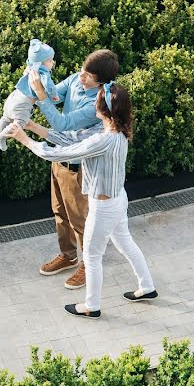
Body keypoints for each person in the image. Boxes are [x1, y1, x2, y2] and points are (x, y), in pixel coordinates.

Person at [5, 81, 158, 318]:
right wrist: (32, 126)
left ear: (103, 111)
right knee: (125, 243)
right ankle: (147, 287)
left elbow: (58, 152)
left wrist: (24, 140)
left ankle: (91, 306)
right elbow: (70, 139)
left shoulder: (101, 139)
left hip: (103, 206)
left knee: (92, 256)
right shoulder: (115, 132)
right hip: (118, 199)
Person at [29, 49, 120, 290]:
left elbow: (62, 123)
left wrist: (40, 96)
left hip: (78, 168)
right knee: (59, 212)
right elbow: (54, 96)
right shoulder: (74, 79)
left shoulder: (98, 102)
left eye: (88, 76)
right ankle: (68, 256)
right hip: (59, 160)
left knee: (80, 220)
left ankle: (88, 266)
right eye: (82, 70)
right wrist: (39, 76)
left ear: (101, 81)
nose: (81, 77)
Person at [0, 39, 59, 151]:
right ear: (40, 63)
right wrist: (54, 96)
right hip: (22, 105)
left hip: (13, 98)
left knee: (6, 117)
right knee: (19, 124)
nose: (52, 63)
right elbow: (50, 86)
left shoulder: (30, 68)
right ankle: (1, 136)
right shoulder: (42, 72)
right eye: (49, 61)